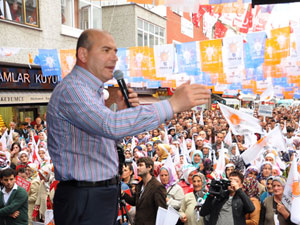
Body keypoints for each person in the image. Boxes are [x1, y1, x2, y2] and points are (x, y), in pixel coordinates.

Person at [46, 29, 210, 225]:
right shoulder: (73, 90)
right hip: (85, 195)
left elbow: (105, 137)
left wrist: (122, 112)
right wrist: (172, 105)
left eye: (115, 51)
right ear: (83, 54)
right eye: (106, 50)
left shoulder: (92, 92)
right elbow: (110, 126)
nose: (114, 57)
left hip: (96, 194)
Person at [122, 157, 167, 225]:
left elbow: (161, 211)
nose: (137, 168)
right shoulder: (139, 185)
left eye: (141, 165)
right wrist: (123, 194)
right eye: (137, 165)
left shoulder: (157, 186)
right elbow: (135, 202)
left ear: (149, 167)